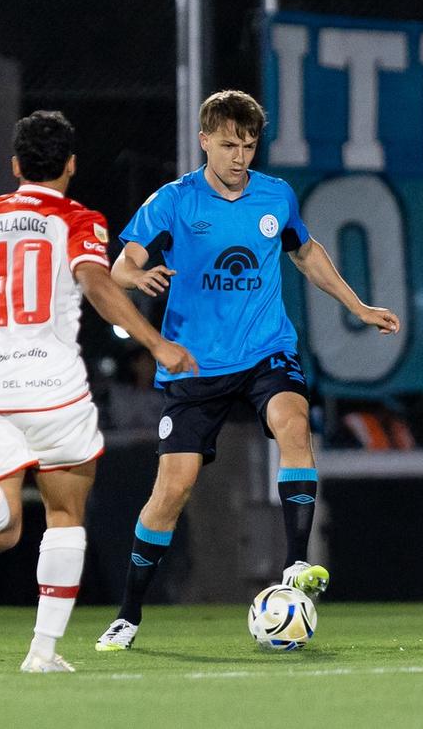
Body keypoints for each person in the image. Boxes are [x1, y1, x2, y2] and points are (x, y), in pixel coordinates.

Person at [95, 90, 400, 651]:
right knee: (173, 489)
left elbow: (304, 253)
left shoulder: (275, 196)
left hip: (265, 349)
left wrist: (357, 307)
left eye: (250, 145)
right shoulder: (174, 201)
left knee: (294, 422)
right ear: (205, 140)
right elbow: (121, 265)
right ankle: (129, 613)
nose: (240, 156)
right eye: (230, 144)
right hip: (195, 362)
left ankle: (295, 565)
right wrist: (133, 278)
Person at [0, 110, 197, 673]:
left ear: (15, 166)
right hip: (52, 387)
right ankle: (42, 652)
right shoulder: (78, 220)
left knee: (1, 533)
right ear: (70, 165)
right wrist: (157, 344)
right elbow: (93, 282)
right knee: (64, 516)